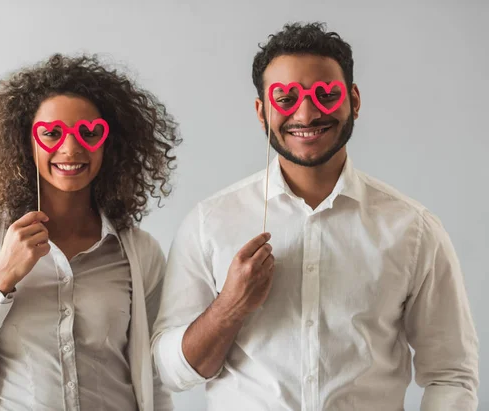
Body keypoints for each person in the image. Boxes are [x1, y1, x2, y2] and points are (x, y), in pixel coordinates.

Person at [152, 22, 479, 411]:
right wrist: (230, 306)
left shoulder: (414, 230)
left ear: (353, 100)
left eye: (325, 95)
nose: (306, 114)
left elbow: (450, 376)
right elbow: (172, 374)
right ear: (262, 112)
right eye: (286, 98)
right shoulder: (210, 223)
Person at [0, 53, 180, 411]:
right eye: (51, 133)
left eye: (89, 133)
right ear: (25, 142)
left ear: (109, 143)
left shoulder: (140, 252)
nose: (71, 148)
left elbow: (155, 380)